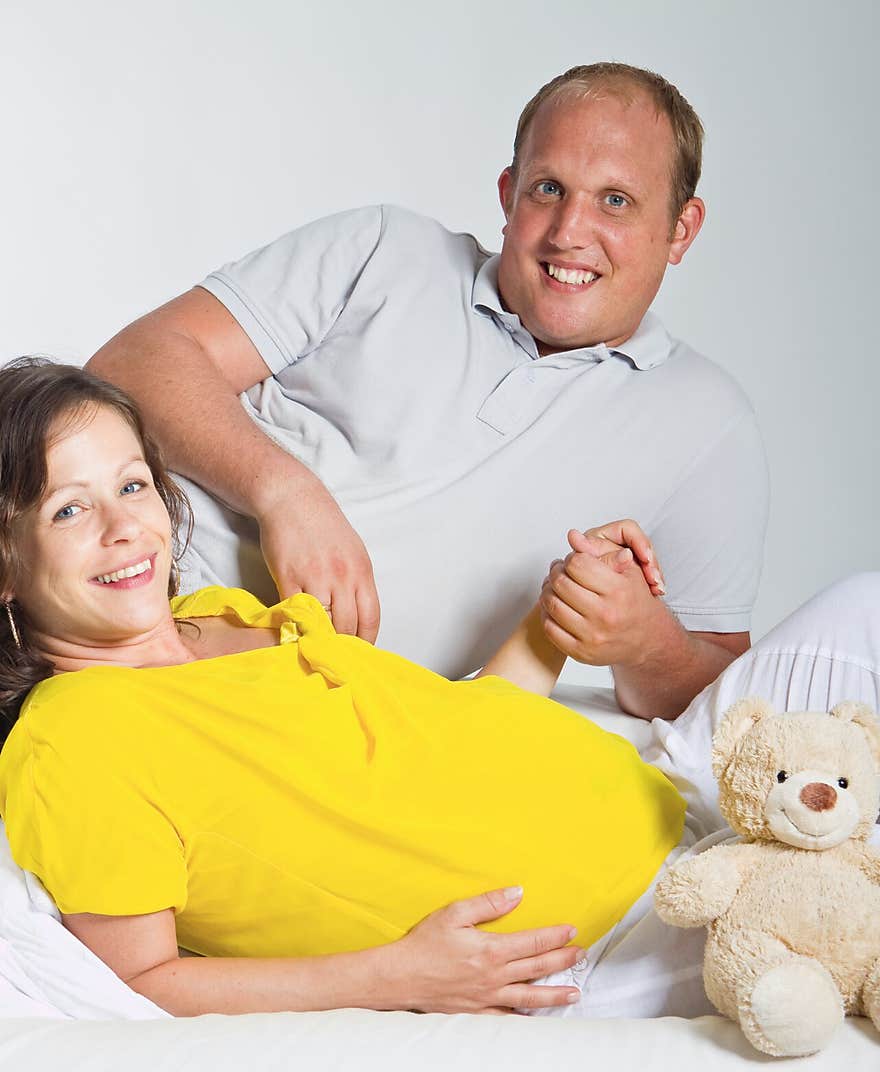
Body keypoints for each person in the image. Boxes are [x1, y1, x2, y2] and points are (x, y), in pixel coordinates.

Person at [0, 358, 686, 1018]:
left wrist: (559, 611)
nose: (124, 530)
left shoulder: (220, 614)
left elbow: (451, 730)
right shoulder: (73, 740)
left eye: (131, 485)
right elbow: (141, 983)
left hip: (677, 814)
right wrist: (396, 977)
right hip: (612, 941)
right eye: (67, 511)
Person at [85, 62, 769, 722]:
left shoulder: (708, 424)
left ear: (681, 230)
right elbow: (131, 361)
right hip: (100, 580)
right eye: (548, 189)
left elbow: (716, 691)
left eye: (615, 201)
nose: (569, 233)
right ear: (508, 194)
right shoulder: (387, 249)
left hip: (297, 710)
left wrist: (644, 645)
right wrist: (284, 492)